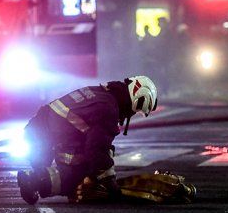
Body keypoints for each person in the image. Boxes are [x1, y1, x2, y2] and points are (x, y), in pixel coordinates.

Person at [17, 76, 159, 204]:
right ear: (137, 99)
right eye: (137, 110)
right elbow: (97, 149)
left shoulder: (102, 93)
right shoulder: (109, 109)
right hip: (49, 137)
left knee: (86, 166)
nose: (133, 114)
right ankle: (33, 180)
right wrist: (109, 184)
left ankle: (36, 178)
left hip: (37, 130)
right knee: (77, 176)